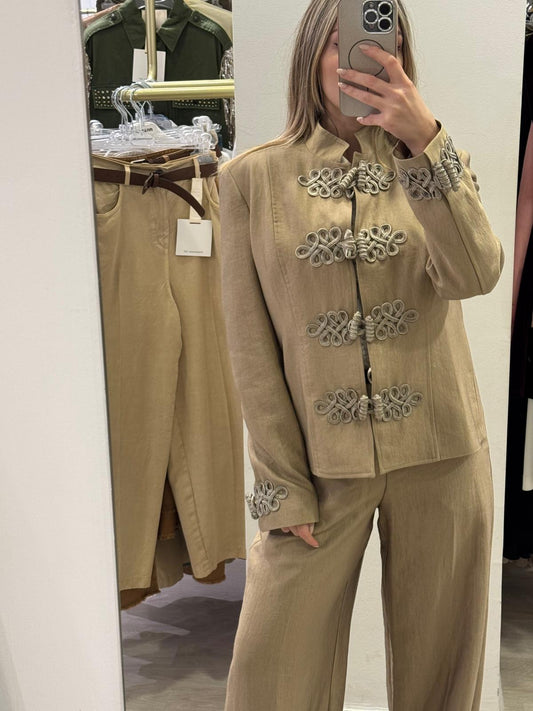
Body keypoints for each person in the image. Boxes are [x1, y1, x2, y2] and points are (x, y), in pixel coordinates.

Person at [219, 0, 504, 709]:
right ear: (312, 54)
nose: (371, 58)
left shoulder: (437, 161)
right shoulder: (250, 179)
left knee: (442, 677)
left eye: (389, 43)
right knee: (272, 674)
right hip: (320, 468)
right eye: (345, 44)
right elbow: (250, 350)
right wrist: (279, 485)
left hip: (442, 453)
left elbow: (476, 275)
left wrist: (423, 143)